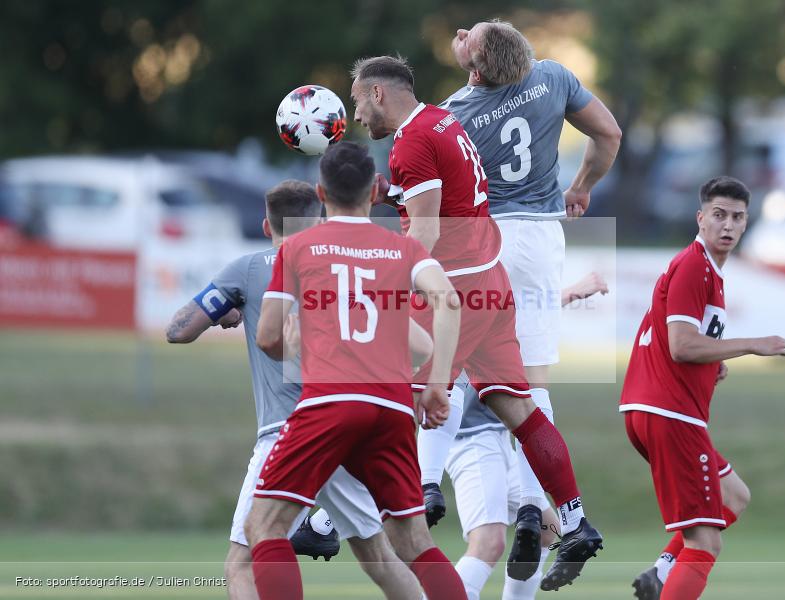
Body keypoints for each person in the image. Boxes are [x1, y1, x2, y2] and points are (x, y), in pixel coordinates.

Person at [350, 54, 603, 591]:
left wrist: (380, 283)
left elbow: (425, 231)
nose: (354, 116)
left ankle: (367, 508)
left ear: (377, 93)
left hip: (458, 287)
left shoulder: (412, 140)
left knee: (395, 389)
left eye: (356, 101)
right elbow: (441, 198)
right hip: (493, 281)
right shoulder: (440, 122)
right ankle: (576, 518)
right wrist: (389, 192)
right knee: (520, 407)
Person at [417, 19, 622, 583]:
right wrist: (581, 187)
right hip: (539, 241)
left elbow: (425, 191)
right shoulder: (553, 78)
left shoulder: (454, 110)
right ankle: (535, 510)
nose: (458, 31)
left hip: (483, 244)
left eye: (468, 36)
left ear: (477, 68)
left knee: (451, 368)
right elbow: (610, 135)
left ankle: (427, 484)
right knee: (531, 388)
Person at [165, 179, 427, 600]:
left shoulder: (249, 270)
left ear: (267, 227)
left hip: (289, 431)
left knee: (244, 558)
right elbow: (411, 341)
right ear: (319, 217)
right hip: (353, 427)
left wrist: (229, 309)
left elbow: (178, 330)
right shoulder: (350, 264)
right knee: (380, 555)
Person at [245, 142, 467, 600]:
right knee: (414, 542)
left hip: (328, 402)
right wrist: (437, 385)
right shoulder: (403, 248)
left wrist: (296, 345)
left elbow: (268, 336)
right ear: (373, 193)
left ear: (321, 193)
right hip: (390, 406)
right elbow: (448, 299)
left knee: (264, 525)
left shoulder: (299, 246)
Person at [619, 176, 785, 600]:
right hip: (671, 414)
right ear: (700, 218)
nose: (728, 225)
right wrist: (753, 344)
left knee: (734, 495)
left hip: (655, 409)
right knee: (705, 544)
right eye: (719, 215)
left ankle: (663, 571)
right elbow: (681, 345)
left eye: (737, 217)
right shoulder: (694, 266)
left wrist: (713, 360)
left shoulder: (707, 271)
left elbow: (673, 340)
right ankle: (671, 576)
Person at [445, 272, 609, 600]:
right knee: (488, 542)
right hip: (471, 438)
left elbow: (509, 313)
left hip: (497, 434)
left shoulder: (484, 278)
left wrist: (570, 294)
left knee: (547, 531)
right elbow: (501, 313)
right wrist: (573, 292)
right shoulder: (464, 277)